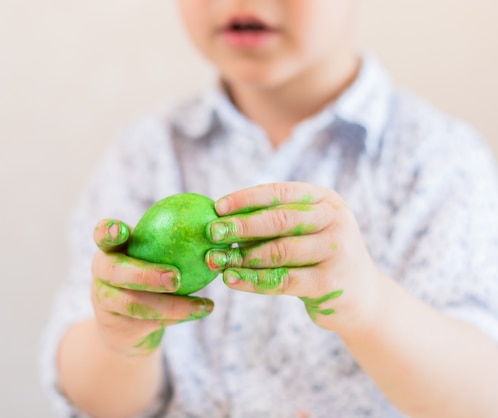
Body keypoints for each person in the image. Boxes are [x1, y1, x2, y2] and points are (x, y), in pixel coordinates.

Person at [40, 1, 498, 417]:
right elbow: (96, 400)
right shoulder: (146, 154)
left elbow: (480, 396)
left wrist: (372, 308)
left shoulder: (439, 163)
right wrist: (122, 343)